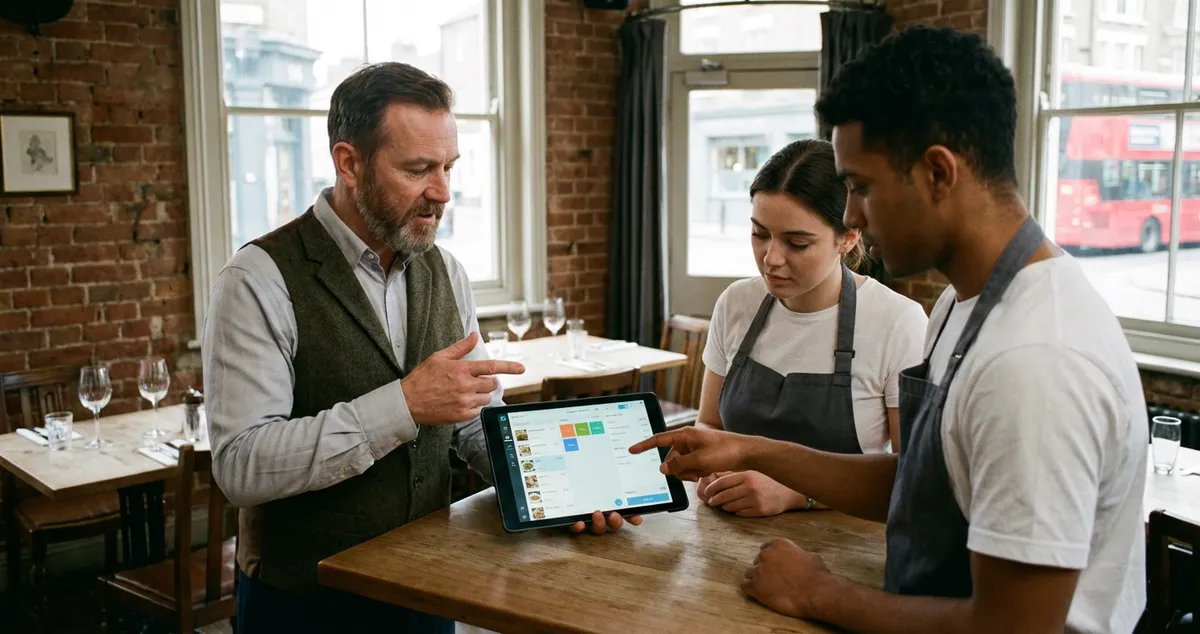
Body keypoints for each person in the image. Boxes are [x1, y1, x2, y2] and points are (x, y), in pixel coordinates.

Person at [632, 26, 1147, 633]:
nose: (850, 217)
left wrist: (818, 594)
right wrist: (749, 448)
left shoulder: (1035, 360)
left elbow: (1013, 628)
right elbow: (921, 482)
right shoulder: (966, 303)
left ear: (937, 173)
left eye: (861, 187)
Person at [203, 63, 634, 634]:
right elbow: (241, 466)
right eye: (418, 169)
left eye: (449, 167)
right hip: (303, 602)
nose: (443, 192)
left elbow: (477, 424)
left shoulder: (446, 271)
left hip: (428, 590)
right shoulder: (258, 279)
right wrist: (402, 406)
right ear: (349, 163)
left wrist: (556, 493)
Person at [694, 139, 926, 518]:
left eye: (797, 243)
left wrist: (797, 495)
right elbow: (709, 423)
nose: (771, 259)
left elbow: (914, 476)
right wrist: (711, 468)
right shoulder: (736, 303)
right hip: (727, 532)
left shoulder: (898, 322)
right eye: (760, 234)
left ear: (848, 236)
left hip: (846, 545)